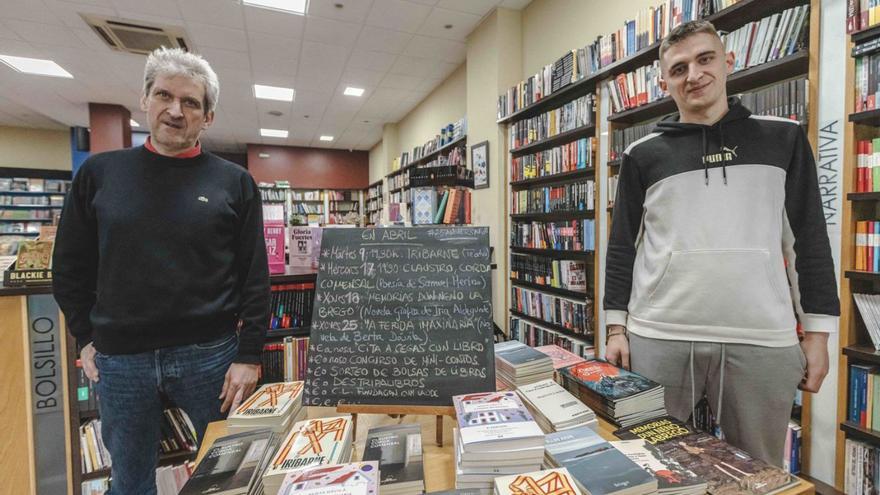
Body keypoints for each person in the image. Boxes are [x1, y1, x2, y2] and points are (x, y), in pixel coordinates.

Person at [603, 20, 839, 466]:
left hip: (762, 339)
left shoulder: (783, 137)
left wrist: (819, 335)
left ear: (728, 63)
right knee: (649, 463)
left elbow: (808, 238)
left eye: (704, 59)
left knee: (759, 470)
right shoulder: (642, 154)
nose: (694, 74)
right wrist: (616, 328)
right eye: (679, 68)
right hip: (659, 336)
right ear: (665, 81)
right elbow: (622, 248)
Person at [53, 47, 270, 494]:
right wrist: (86, 335)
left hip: (210, 355)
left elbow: (254, 273)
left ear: (207, 117)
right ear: (144, 100)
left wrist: (249, 354)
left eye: (191, 102)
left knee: (230, 474)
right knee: (130, 482)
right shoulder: (99, 174)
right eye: (164, 96)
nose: (176, 111)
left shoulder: (235, 183)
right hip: (122, 359)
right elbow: (69, 266)